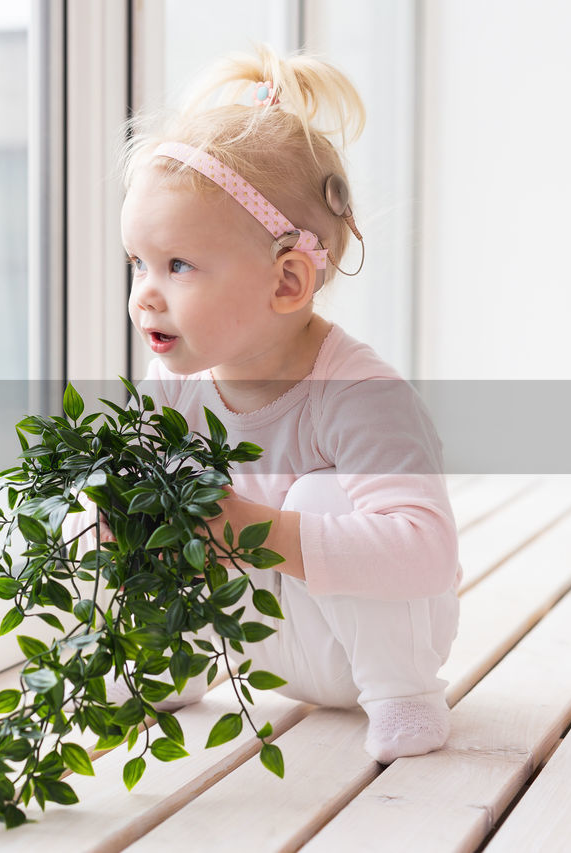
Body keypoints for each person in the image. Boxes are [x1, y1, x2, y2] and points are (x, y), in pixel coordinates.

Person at [64, 45, 460, 764]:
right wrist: (109, 516)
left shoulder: (360, 394)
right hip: (256, 645)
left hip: (368, 651)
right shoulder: (175, 387)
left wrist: (252, 527)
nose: (144, 293)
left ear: (286, 282)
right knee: (141, 488)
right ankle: (175, 660)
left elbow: (426, 554)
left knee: (322, 491)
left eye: (178, 265)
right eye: (138, 263)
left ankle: (407, 696)